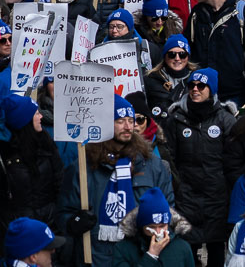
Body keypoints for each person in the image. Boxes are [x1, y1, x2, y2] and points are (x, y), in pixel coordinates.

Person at [62, 95, 176, 267]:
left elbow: (169, 212)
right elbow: (63, 212)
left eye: (130, 120)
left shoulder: (153, 165)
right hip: (97, 257)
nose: (128, 126)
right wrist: (73, 223)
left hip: (140, 256)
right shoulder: (84, 166)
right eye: (120, 120)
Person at [164, 69, 238, 267]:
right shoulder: (176, 119)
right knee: (189, 247)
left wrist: (226, 187)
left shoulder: (225, 120)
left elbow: (233, 158)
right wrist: (178, 187)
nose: (195, 90)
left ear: (211, 89)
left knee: (215, 247)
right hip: (187, 194)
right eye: (191, 86)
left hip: (217, 195)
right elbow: (169, 156)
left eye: (201, 86)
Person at [0, 92, 64, 233]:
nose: (41, 116)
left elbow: (60, 181)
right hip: (17, 228)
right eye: (36, 114)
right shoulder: (5, 153)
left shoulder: (46, 143)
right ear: (24, 121)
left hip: (49, 224)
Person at [112, 188, 196, 267]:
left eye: (162, 226)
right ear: (142, 226)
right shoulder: (123, 249)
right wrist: (151, 256)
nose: (158, 231)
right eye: (151, 227)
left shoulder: (182, 247)